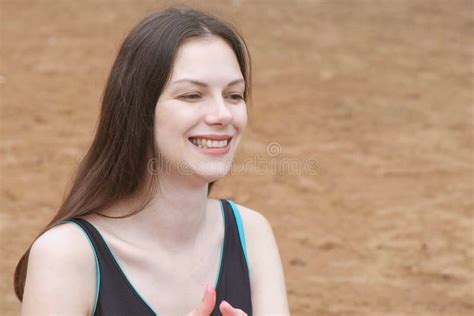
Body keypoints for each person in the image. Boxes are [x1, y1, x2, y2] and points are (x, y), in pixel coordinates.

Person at [14, 6, 289, 315]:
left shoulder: (251, 234)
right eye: (191, 96)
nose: (223, 115)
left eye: (234, 95)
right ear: (138, 110)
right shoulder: (65, 256)